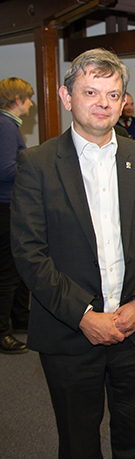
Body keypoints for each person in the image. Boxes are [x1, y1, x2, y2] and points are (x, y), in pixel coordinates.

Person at [10, 48, 135, 458]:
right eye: (91, 92)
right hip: (68, 334)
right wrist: (84, 316)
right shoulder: (37, 163)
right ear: (67, 98)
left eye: (113, 94)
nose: (103, 102)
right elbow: (30, 253)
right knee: (78, 444)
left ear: (123, 101)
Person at [0, 77, 32, 354]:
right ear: (17, 101)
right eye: (28, 99)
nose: (31, 104)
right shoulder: (6, 126)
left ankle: (21, 318)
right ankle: (3, 332)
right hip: (5, 206)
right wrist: (33, 168)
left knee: (17, 270)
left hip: (6, 204)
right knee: (8, 273)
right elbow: (6, 170)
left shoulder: (8, 126)